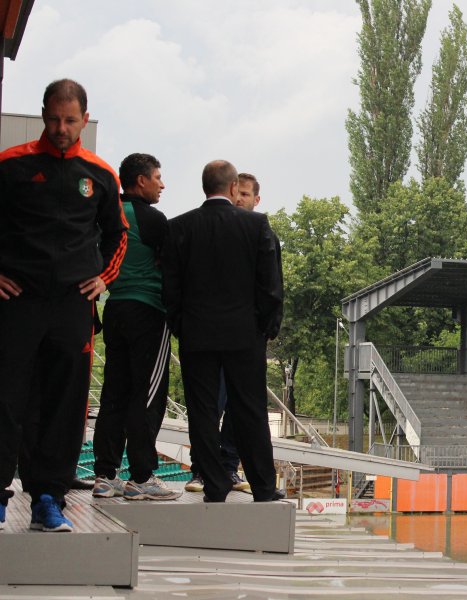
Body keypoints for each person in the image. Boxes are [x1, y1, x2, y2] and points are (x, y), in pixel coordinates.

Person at [0, 79, 128, 532]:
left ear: (84, 119)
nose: (60, 128)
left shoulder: (100, 174)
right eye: (53, 119)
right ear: (42, 114)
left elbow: (118, 235)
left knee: (65, 405)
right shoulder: (11, 165)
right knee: (6, 398)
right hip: (17, 304)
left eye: (70, 120)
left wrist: (104, 279)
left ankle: (48, 499)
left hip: (72, 307)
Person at [163, 160, 283, 503]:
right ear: (233, 188)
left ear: (204, 186)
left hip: (197, 335)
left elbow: (170, 288)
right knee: (251, 409)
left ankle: (213, 483)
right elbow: (270, 287)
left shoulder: (179, 227)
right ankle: (262, 485)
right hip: (244, 335)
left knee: (201, 410)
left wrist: (181, 326)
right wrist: (261, 328)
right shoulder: (256, 225)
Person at [91, 153, 180, 501]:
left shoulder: (108, 215)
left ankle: (105, 474)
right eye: (158, 177)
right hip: (148, 312)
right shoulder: (152, 219)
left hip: (114, 309)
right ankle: (142, 477)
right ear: (140, 180)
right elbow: (173, 264)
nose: (162, 183)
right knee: (147, 395)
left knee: (114, 391)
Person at [184, 172, 263, 494]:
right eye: (237, 193)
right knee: (208, 405)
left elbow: (271, 285)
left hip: (247, 337)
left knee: (237, 410)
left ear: (257, 199)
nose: (240, 199)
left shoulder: (261, 233)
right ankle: (201, 469)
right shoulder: (211, 230)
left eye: (247, 194)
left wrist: (265, 327)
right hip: (209, 334)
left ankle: (229, 468)